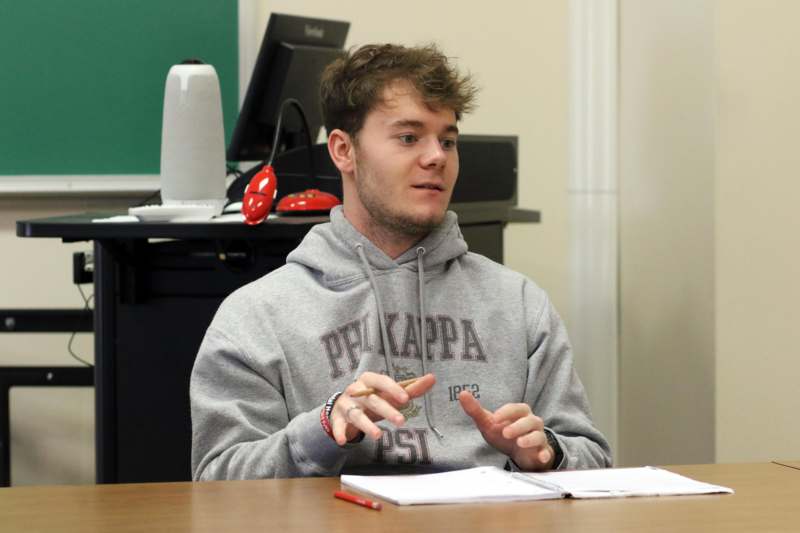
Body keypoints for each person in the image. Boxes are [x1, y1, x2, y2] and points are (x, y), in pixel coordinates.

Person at [190, 43, 611, 480]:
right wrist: (322, 429)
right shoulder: (258, 317)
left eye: (447, 140)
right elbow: (216, 480)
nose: (437, 157)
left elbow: (593, 457)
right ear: (343, 151)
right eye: (409, 137)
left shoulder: (519, 304)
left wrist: (545, 452)